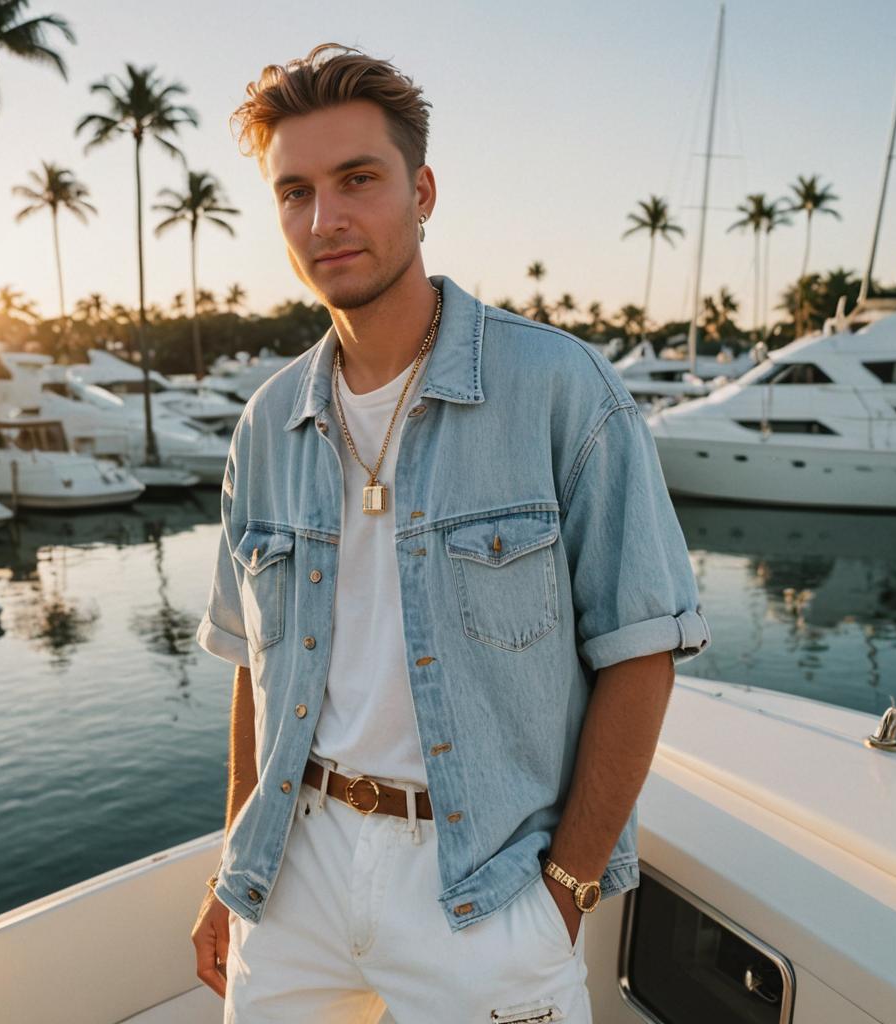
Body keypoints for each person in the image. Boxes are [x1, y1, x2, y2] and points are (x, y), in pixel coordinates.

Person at [191, 42, 711, 1024]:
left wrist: (565, 893)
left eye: (357, 180)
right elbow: (251, 670)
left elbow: (642, 651)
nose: (324, 218)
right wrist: (234, 863)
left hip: (484, 884)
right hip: (292, 870)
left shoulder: (558, 390)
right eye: (294, 191)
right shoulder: (265, 424)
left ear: (420, 190)